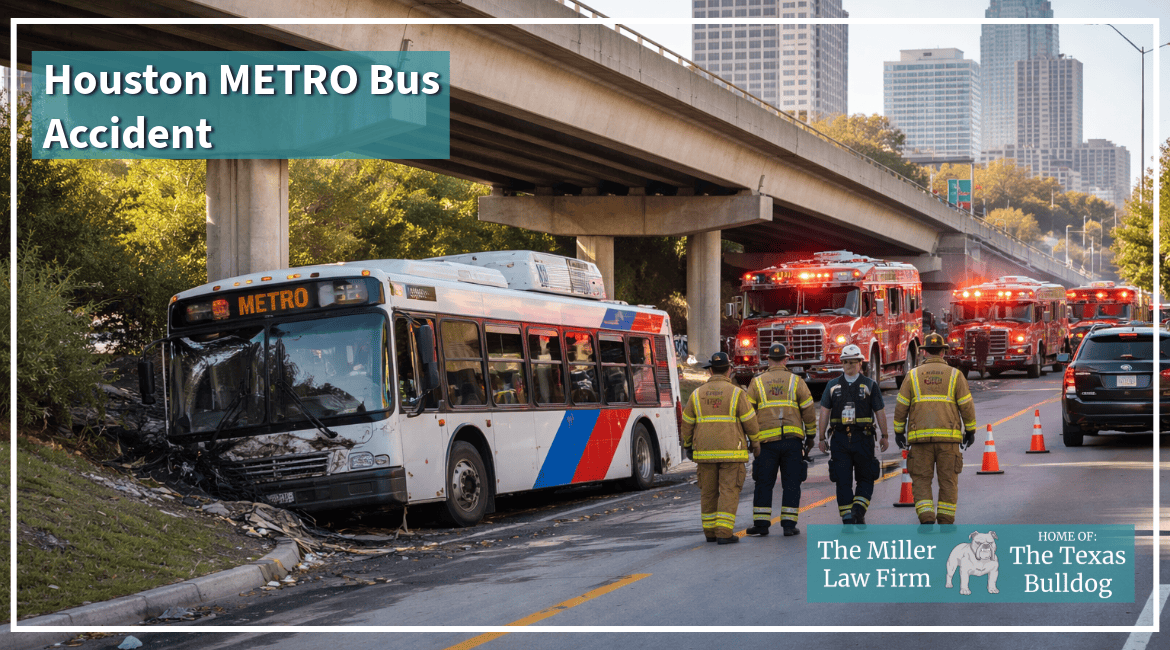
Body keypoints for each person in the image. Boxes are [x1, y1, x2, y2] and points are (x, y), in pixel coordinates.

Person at [892, 333, 978, 526]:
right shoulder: (955, 375)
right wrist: (970, 431)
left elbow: (901, 406)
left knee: (921, 480)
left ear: (923, 352)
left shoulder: (912, 375)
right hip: (949, 441)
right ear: (943, 351)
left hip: (919, 441)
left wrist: (898, 432)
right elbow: (966, 405)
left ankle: (926, 517)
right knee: (948, 481)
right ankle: (946, 519)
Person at [680, 351, 760, 545]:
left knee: (708, 492)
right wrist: (755, 443)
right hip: (731, 452)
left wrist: (688, 446)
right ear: (729, 371)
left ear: (710, 371)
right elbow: (750, 421)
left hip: (705, 453)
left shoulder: (696, 394)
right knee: (728, 491)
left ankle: (710, 532)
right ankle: (724, 532)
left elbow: (687, 423)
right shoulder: (737, 393)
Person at [743, 343, 816, 537]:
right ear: (786, 359)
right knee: (792, 483)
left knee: (763, 483)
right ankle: (789, 525)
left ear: (768, 360)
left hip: (766, 443)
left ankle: (761, 524)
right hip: (792, 442)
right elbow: (808, 410)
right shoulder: (796, 381)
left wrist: (751, 440)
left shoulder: (757, 382)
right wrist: (811, 435)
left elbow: (748, 414)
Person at [817, 344, 889, 524]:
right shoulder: (866, 385)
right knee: (850, 478)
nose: (849, 365)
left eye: (853, 362)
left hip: (853, 438)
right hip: (854, 439)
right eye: (847, 362)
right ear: (842, 363)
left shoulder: (838, 385)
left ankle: (854, 511)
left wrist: (885, 435)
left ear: (860, 363)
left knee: (853, 478)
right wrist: (821, 438)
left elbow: (879, 411)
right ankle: (853, 513)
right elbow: (824, 412)